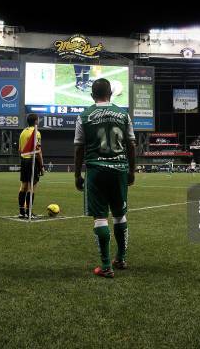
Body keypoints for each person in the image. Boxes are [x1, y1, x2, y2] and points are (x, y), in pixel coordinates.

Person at [73, 78, 136, 278]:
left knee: (100, 217)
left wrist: (77, 174)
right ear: (111, 93)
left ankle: (106, 265)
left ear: (92, 95)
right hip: (119, 170)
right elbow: (132, 144)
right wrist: (132, 170)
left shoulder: (84, 116)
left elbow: (79, 147)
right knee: (120, 214)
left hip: (96, 171)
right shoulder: (123, 114)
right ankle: (121, 258)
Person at [18, 114, 44, 220]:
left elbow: (20, 149)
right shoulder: (36, 133)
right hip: (32, 161)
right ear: (36, 121)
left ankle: (22, 212)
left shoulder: (23, 132)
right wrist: (41, 166)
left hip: (23, 160)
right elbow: (38, 151)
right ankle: (29, 213)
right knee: (32, 187)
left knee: (23, 186)